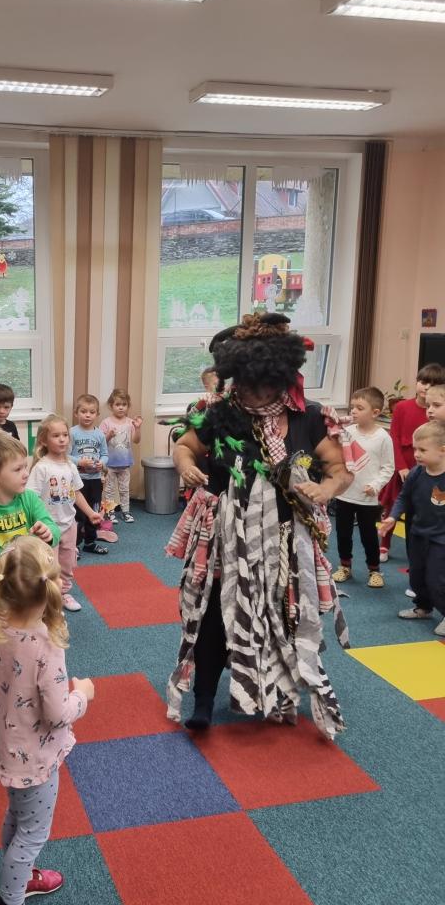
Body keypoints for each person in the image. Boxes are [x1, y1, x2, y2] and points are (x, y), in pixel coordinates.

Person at [166, 313, 353, 737]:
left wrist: (326, 488)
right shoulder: (219, 413)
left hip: (283, 543)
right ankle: (203, 699)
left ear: (280, 377)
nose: (255, 393)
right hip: (226, 537)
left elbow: (339, 470)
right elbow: (184, 446)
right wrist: (185, 465)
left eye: (264, 385)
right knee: (214, 614)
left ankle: (276, 692)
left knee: (283, 618)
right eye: (247, 385)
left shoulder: (309, 417)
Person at [0, 536, 94, 905]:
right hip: (35, 756)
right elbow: (58, 713)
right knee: (33, 832)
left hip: (4, 744)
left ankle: (18, 875)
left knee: (18, 814)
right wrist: (83, 695)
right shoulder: (45, 643)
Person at [0, 428, 60, 603]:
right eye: (18, 469)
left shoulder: (30, 499)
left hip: (30, 585)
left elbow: (54, 529)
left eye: (25, 466)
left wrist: (48, 533)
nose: (26, 473)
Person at [27, 415, 103, 612]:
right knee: (48, 565)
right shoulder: (41, 467)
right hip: (48, 526)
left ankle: (63, 592)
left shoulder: (70, 465)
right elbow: (30, 497)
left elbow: (76, 492)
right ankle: (48, 597)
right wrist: (36, 522)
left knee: (67, 563)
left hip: (69, 523)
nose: (62, 439)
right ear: (44, 440)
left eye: (64, 435)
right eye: (55, 436)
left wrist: (90, 513)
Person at [380, 420, 445, 637]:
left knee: (437, 578)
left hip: (441, 539)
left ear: (442, 450)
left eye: (422, 450)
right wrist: (392, 517)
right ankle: (424, 607)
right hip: (418, 534)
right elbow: (404, 497)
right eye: (415, 449)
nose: (416, 454)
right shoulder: (417, 473)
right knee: (416, 576)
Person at [378, 363, 445, 561]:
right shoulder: (402, 407)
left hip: (429, 472)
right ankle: (385, 545)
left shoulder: (437, 419)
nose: (426, 387)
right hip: (405, 468)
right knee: (395, 504)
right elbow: (394, 438)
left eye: (432, 384)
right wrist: (401, 467)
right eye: (423, 382)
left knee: (424, 510)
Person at [332, 387, 394, 588]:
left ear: (375, 412)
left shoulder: (383, 438)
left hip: (367, 498)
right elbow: (337, 458)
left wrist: (375, 485)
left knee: (369, 536)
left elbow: (388, 467)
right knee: (342, 534)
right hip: (344, 494)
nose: (353, 411)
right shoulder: (347, 432)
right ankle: (345, 566)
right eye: (352, 407)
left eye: (359, 408)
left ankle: (374, 570)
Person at [69, 394, 109, 555]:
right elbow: (65, 455)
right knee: (78, 513)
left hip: (95, 480)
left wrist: (102, 463)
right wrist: (79, 462)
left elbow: (105, 454)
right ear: (76, 413)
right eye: (83, 411)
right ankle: (75, 545)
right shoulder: (72, 433)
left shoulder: (99, 435)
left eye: (92, 412)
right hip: (78, 481)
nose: (87, 415)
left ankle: (90, 542)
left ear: (97, 414)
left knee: (94, 510)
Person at [99, 389, 142, 524]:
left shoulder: (130, 422)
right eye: (118, 404)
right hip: (109, 464)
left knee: (124, 489)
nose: (121, 407)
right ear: (111, 405)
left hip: (125, 463)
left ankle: (126, 512)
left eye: (124, 404)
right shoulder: (106, 423)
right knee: (109, 490)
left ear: (128, 406)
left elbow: (136, 440)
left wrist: (138, 428)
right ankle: (109, 512)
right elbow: (100, 442)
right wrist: (109, 435)